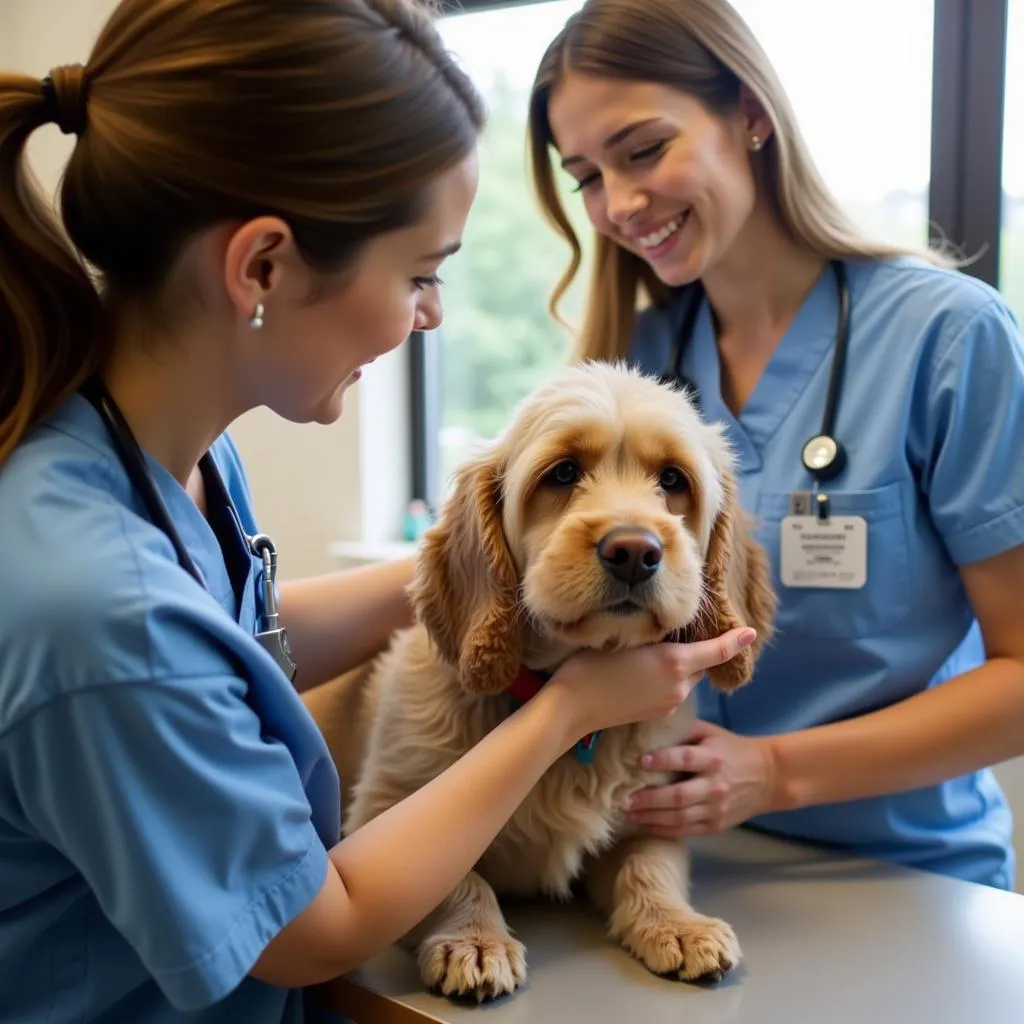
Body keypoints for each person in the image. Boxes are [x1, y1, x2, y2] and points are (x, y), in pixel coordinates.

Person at [0, 1, 757, 1021]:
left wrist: (487, 586)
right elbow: (314, 931)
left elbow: (234, 645)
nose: (434, 313)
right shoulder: (95, 605)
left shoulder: (168, 459)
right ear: (262, 267)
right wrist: (570, 706)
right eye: (421, 273)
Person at [526, 0, 1024, 892]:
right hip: (651, 866)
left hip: (906, 876)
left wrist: (775, 773)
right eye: (588, 177)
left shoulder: (948, 337)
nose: (620, 204)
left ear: (751, 114)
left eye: (642, 150)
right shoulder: (634, 366)